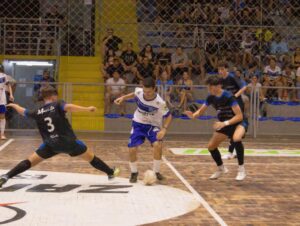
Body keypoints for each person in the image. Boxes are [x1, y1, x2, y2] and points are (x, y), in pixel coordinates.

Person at [0, 86, 119, 188]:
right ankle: (110, 172)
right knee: (91, 158)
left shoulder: (37, 111)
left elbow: (24, 112)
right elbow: (68, 107)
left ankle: (7, 176)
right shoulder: (57, 104)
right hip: (69, 143)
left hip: (50, 145)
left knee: (29, 161)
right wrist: (87, 109)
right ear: (53, 96)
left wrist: (15, 105)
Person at [185, 75, 247, 181]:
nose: (209, 89)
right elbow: (201, 111)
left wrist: (225, 123)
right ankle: (221, 168)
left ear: (218, 86)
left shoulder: (228, 96)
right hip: (224, 124)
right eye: (208, 87)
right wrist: (193, 115)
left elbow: (239, 116)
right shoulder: (210, 97)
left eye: (211, 87)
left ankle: (241, 169)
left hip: (238, 122)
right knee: (211, 146)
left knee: (236, 138)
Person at [114, 77, 172, 183]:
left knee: (157, 145)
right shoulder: (140, 91)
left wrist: (164, 129)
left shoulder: (160, 102)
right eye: (144, 91)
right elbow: (134, 94)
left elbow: (169, 116)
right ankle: (134, 172)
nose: (146, 94)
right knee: (132, 148)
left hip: (153, 125)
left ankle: (156, 172)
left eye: (149, 92)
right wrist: (123, 98)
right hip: (138, 124)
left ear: (154, 89)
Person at [218, 62, 247, 160]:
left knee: (235, 128)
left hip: (237, 105)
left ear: (226, 69)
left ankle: (231, 152)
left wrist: (235, 96)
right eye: (219, 69)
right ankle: (233, 151)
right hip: (229, 106)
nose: (220, 71)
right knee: (232, 129)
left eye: (222, 69)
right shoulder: (221, 81)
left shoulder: (232, 77)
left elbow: (244, 87)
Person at [0, 66, 14, 139]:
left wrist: (11, 94)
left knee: (2, 116)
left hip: (1, 99)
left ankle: (2, 134)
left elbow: (9, 85)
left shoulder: (4, 76)